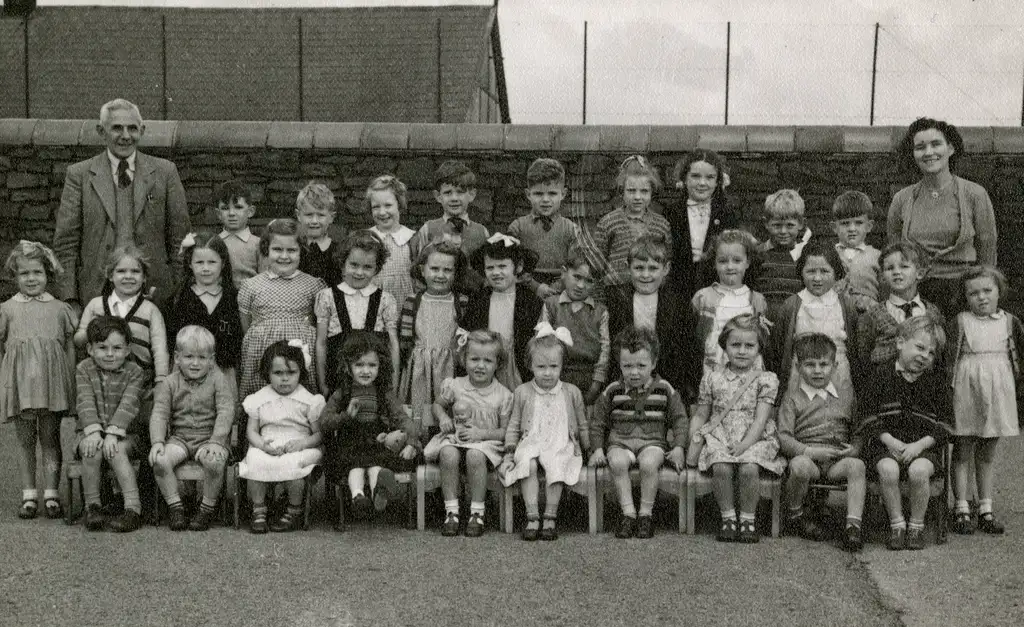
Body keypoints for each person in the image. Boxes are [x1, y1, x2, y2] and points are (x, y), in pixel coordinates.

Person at [53, 98, 190, 310]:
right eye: (117, 128)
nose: (125, 136)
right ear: (101, 131)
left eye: (132, 129)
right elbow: (66, 243)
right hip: (97, 294)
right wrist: (70, 299)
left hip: (154, 294)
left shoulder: (165, 172)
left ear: (142, 130)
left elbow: (180, 240)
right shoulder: (79, 175)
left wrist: (176, 290)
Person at [858, 315, 953, 551]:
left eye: (931, 353)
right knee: (887, 469)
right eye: (920, 347)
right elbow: (867, 416)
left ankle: (916, 527)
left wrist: (919, 446)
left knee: (919, 471)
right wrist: (888, 440)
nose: (924, 356)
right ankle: (897, 523)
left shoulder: (936, 382)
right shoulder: (880, 375)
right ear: (900, 343)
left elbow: (946, 425)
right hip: (886, 446)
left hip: (923, 448)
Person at [686, 314, 783, 544]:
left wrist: (745, 445)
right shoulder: (712, 378)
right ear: (724, 347)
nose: (742, 351)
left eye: (749, 345)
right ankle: (728, 517)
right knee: (721, 466)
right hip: (721, 434)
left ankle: (748, 518)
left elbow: (761, 420)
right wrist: (694, 436)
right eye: (735, 345)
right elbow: (702, 413)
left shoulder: (766, 380)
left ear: (759, 348)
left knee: (749, 468)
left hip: (755, 436)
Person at [887, 117, 997, 315]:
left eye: (936, 144)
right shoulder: (902, 199)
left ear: (951, 149)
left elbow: (987, 253)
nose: (929, 152)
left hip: (963, 293)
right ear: (913, 154)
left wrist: (981, 296)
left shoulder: (975, 194)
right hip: (916, 294)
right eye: (920, 147)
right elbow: (894, 253)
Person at [0, 241, 77, 520]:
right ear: (14, 276)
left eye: (37, 273)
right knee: (24, 440)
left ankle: (52, 495)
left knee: (50, 438)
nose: (31, 279)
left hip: (51, 386)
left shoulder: (59, 309)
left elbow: (69, 348)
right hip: (20, 387)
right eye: (24, 274)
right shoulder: (7, 309)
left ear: (48, 274)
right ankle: (29, 495)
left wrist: (69, 382)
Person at [589, 327, 687, 540]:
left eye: (641, 366)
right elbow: (598, 422)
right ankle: (628, 514)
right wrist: (597, 449)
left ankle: (645, 514)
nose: (634, 372)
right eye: (627, 366)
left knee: (649, 463)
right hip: (621, 442)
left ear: (653, 363)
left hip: (652, 442)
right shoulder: (612, 390)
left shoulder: (664, 389)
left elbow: (680, 418)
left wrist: (679, 447)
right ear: (620, 364)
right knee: (616, 462)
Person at [948, 266, 1022, 535]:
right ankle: (961, 507)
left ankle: (986, 508)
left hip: (998, 390)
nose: (981, 297)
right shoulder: (961, 321)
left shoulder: (1010, 322)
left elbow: (1019, 360)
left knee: (988, 451)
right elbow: (950, 362)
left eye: (987, 290)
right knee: (963, 448)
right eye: (973, 293)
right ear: (965, 297)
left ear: (999, 291)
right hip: (967, 389)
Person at [777, 334, 865, 552]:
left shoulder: (846, 395)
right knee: (798, 466)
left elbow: (859, 429)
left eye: (824, 364)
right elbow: (783, 437)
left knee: (858, 466)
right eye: (810, 365)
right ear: (798, 367)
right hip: (809, 459)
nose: (817, 370)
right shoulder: (792, 397)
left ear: (834, 366)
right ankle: (796, 515)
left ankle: (853, 525)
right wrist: (810, 452)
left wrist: (855, 448)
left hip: (838, 459)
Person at [319, 332, 419, 525]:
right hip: (349, 444)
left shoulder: (384, 394)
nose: (366, 371)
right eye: (359, 365)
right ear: (348, 367)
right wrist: (346, 416)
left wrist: (412, 441)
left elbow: (402, 419)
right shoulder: (342, 393)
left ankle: (377, 494)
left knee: (376, 468)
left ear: (380, 367)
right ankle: (358, 497)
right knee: (354, 468)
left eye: (372, 365)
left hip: (377, 442)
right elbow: (324, 422)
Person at [501, 323, 587, 541]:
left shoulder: (571, 392)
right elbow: (513, 424)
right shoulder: (522, 392)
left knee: (556, 463)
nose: (548, 373)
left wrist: (589, 448)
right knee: (528, 464)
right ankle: (532, 517)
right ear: (530, 366)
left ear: (561, 366)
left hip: (560, 442)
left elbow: (582, 423)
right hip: (531, 441)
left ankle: (550, 517)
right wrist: (510, 453)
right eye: (541, 367)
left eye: (553, 366)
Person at [426, 330, 513, 537]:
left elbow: (506, 432)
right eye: (474, 359)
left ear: (497, 364)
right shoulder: (456, 385)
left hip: (486, 444)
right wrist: (444, 418)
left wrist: (481, 435)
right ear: (464, 360)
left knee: (475, 455)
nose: (480, 365)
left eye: (487, 361)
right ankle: (452, 511)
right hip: (457, 439)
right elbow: (437, 406)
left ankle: (477, 512)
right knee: (447, 452)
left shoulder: (503, 395)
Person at [148, 326, 234, 532]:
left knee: (214, 462)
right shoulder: (170, 383)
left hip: (209, 438)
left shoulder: (218, 379)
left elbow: (226, 410)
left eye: (202, 358)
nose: (195, 363)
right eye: (188, 357)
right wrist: (158, 442)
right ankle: (175, 507)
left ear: (211, 360)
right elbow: (160, 413)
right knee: (159, 460)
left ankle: (206, 508)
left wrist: (217, 440)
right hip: (180, 439)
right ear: (177, 358)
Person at [238, 340, 324, 534]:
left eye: (291, 373)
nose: (285, 379)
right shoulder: (258, 399)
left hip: (300, 445)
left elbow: (319, 434)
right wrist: (262, 445)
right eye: (278, 373)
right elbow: (251, 431)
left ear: (301, 372)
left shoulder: (309, 401)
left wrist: (302, 443)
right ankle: (258, 510)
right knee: (254, 460)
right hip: (267, 444)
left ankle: (294, 510)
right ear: (267, 373)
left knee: (291, 464)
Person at [238, 219, 326, 399]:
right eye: (277, 249)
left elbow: (319, 325)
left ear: (301, 251)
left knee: (301, 400)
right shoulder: (251, 286)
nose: (284, 256)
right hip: (261, 352)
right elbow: (246, 327)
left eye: (292, 250)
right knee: (260, 399)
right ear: (266, 250)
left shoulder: (313, 285)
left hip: (300, 353)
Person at [74, 316, 147, 532]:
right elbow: (85, 401)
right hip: (90, 432)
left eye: (116, 348)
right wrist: (94, 432)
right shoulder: (84, 369)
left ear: (127, 349)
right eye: (102, 347)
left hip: (126, 435)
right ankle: (92, 506)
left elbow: (129, 405)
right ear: (90, 348)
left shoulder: (135, 372)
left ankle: (133, 508)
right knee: (91, 450)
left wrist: (113, 434)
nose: (109, 354)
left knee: (115, 450)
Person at [607, 234, 698, 404]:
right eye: (639, 268)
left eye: (653, 268)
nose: (645, 275)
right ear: (628, 267)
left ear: (666, 269)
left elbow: (687, 347)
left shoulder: (678, 302)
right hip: (628, 378)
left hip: (668, 378)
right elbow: (613, 344)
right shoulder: (617, 299)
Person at [768, 239, 861, 397]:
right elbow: (779, 347)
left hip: (839, 378)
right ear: (801, 272)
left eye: (824, 271)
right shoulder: (791, 306)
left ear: (836, 272)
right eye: (811, 271)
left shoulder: (846, 305)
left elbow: (855, 347)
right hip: (800, 379)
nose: (817, 278)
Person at [314, 230, 399, 395]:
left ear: (377, 269)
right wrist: (322, 384)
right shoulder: (327, 297)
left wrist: (393, 386)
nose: (359, 272)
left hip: (375, 383)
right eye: (354, 265)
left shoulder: (385, 300)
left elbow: (393, 345)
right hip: (338, 383)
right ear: (343, 263)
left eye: (367, 267)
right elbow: (321, 343)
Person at [398, 239, 469, 430]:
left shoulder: (461, 302)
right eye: (434, 268)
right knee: (418, 411)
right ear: (422, 270)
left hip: (450, 367)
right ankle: (417, 443)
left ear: (456, 273)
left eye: (447, 270)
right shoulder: (412, 302)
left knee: (447, 409)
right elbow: (405, 340)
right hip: (419, 368)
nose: (440, 275)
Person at [74, 245, 169, 388]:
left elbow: (160, 348)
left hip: (139, 382)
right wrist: (91, 329)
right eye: (121, 271)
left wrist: (161, 380)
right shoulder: (96, 305)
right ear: (110, 275)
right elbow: (79, 341)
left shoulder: (150, 310)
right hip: (100, 382)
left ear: (144, 277)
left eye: (135, 271)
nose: (128, 276)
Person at [463, 234, 545, 392]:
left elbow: (538, 338)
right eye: (490, 268)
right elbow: (469, 332)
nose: (496, 273)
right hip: (486, 362)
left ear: (518, 267)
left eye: (502, 266)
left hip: (516, 363)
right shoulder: (479, 299)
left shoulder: (530, 301)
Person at [165, 232, 243, 384]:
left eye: (212, 262)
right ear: (189, 264)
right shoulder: (179, 298)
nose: (205, 268)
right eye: (199, 262)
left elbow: (238, 337)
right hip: (186, 374)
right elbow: (171, 340)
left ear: (223, 263)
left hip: (224, 372)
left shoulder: (233, 297)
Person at [691, 229, 767, 377]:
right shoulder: (703, 297)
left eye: (737, 260)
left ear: (747, 262)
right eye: (723, 261)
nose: (730, 266)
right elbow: (695, 337)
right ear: (714, 263)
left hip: (747, 368)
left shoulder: (756, 300)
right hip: (713, 368)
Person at [857, 241, 944, 366]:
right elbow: (864, 360)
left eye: (904, 266)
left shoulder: (933, 313)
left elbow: (939, 354)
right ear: (882, 276)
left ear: (919, 273)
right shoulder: (871, 316)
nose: (896, 272)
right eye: (890, 268)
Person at [593, 155, 673, 291]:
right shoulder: (608, 223)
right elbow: (596, 264)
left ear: (651, 193)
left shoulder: (662, 225)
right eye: (631, 191)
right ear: (621, 192)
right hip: (617, 291)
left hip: (651, 291)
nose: (637, 197)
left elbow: (666, 261)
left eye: (644, 191)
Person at [668, 149, 740, 301]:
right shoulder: (672, 213)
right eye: (695, 176)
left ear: (718, 181)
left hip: (715, 287)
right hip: (678, 289)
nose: (702, 183)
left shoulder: (726, 215)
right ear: (684, 178)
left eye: (709, 177)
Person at [410, 160, 490, 292]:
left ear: (471, 195)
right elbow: (421, 267)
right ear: (438, 196)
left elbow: (486, 270)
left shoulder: (481, 232)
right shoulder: (428, 228)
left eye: (460, 192)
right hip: (437, 295)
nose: (454, 198)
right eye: (447, 193)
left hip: (472, 299)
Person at [542, 251, 610, 406]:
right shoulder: (551, 305)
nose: (581, 285)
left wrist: (596, 383)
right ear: (564, 272)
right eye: (577, 277)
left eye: (589, 281)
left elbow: (605, 349)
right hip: (557, 375)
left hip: (589, 378)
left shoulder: (600, 312)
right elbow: (541, 344)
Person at [507, 158, 580, 299]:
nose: (545, 200)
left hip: (560, 290)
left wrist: (557, 287)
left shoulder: (571, 229)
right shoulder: (518, 227)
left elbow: (575, 265)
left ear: (563, 194)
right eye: (538, 194)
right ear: (528, 194)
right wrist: (535, 286)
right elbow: (512, 263)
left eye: (552, 193)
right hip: (526, 288)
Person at [753, 189, 813, 322]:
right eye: (777, 225)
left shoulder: (805, 256)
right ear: (766, 224)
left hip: (796, 321)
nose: (783, 231)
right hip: (763, 322)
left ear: (801, 224)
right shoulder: (757, 254)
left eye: (790, 225)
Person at [367, 175, 417, 309]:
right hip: (374, 300)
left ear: (400, 205)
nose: (382, 212)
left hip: (404, 301)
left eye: (388, 205)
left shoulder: (410, 238)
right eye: (376, 207)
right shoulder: (368, 238)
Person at [831, 191, 880, 312]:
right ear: (834, 227)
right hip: (835, 314)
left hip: (868, 315)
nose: (852, 229)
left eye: (858, 223)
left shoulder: (877, 256)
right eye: (845, 223)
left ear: (869, 226)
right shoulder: (828, 254)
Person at [214, 180, 263, 288]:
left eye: (238, 207)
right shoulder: (213, 243)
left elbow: (265, 279)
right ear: (218, 214)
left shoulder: (258, 244)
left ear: (250, 211)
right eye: (225, 208)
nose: (231, 213)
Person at [296, 181, 346, 286]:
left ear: (331, 217)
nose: (314, 221)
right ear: (298, 215)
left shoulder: (340, 251)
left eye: (321, 215)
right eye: (309, 215)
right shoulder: (294, 249)